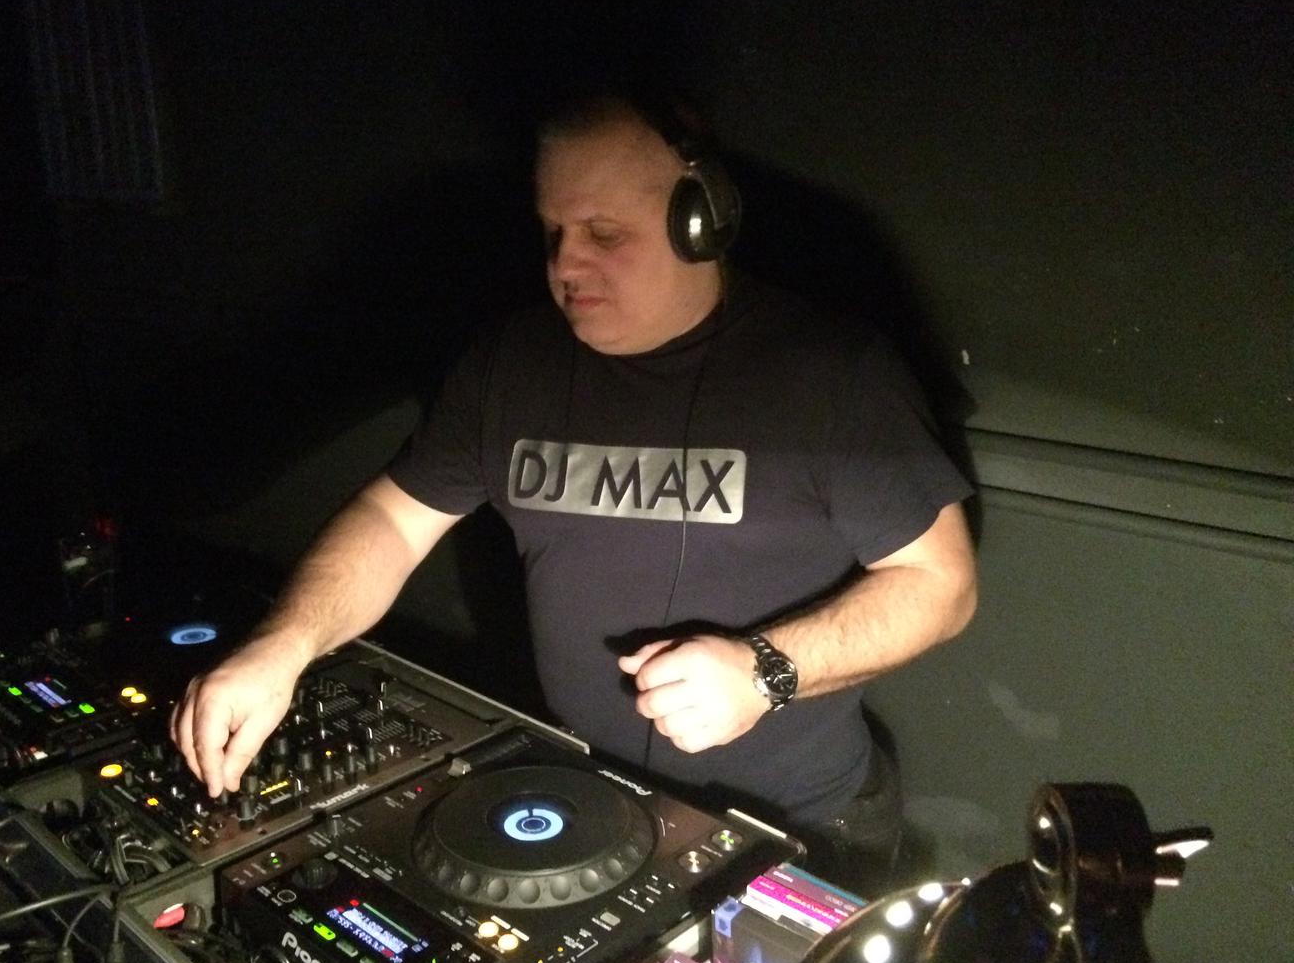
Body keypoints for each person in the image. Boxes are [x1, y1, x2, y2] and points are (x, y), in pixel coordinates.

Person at [171, 94, 977, 894]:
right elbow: (393, 519)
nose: (565, 264)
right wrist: (285, 645)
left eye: (604, 234)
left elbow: (940, 585)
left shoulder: (832, 374)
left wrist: (765, 670)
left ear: (701, 223)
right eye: (553, 231)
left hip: (800, 828)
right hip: (587, 805)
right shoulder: (509, 366)